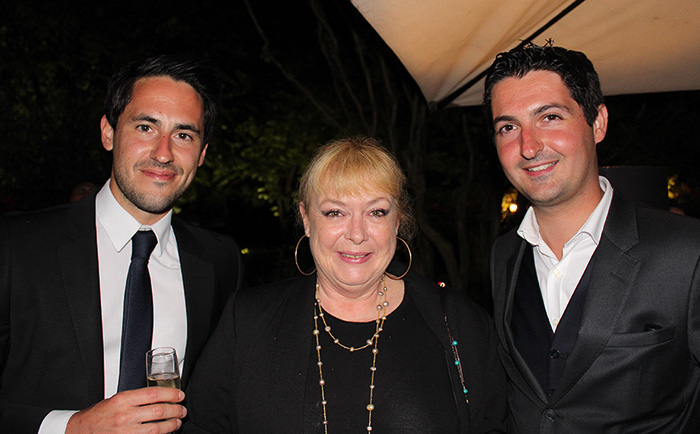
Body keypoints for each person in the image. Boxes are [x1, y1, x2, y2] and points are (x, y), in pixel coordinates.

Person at [182, 137, 507, 433]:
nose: (356, 234)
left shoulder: (461, 324)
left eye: (376, 212)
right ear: (307, 219)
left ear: (398, 221)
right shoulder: (247, 322)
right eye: (335, 212)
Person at [0, 55, 244, 434]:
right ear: (108, 133)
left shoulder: (220, 261)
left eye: (183, 135)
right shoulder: (16, 247)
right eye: (146, 127)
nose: (163, 153)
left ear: (202, 154)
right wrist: (71, 427)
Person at [484, 43, 700, 433]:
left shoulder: (686, 251)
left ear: (597, 122)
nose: (528, 146)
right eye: (508, 127)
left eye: (550, 117)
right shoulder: (504, 255)